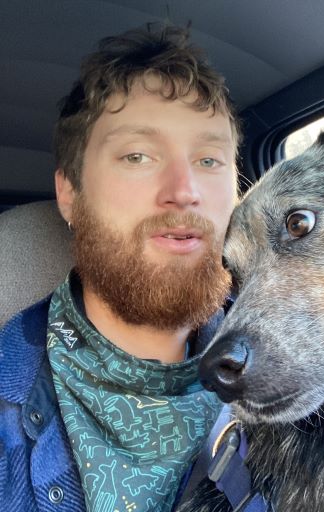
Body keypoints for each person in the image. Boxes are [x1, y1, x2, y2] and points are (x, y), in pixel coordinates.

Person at [0, 25, 240, 512]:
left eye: (210, 159)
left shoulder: (307, 367)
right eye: (137, 155)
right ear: (69, 192)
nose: (185, 190)